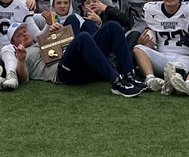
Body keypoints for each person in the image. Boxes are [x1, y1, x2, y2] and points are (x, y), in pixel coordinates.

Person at [8, 11, 145, 97]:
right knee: (83, 37)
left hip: (80, 64)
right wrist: (21, 60)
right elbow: (23, 78)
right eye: (19, 35)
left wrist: (60, 33)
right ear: (14, 42)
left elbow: (66, 45)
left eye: (24, 31)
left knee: (112, 26)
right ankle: (117, 82)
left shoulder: (42, 39)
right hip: (64, 74)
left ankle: (130, 75)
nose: (24, 35)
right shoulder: (23, 53)